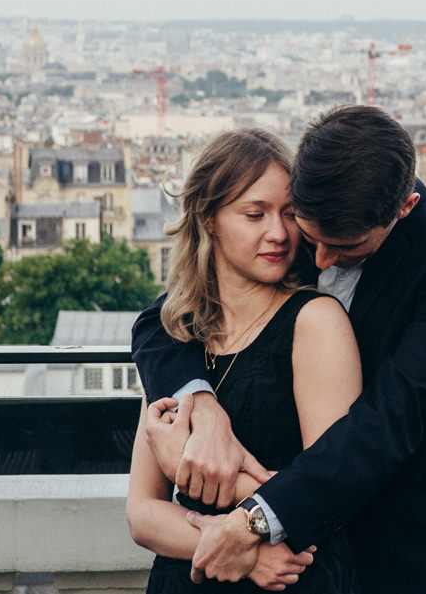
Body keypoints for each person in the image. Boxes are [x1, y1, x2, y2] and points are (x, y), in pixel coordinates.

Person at [132, 105, 426, 594]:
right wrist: (203, 407)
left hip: (408, 546)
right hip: (295, 548)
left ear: (403, 208)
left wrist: (246, 518)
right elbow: (164, 324)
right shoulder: (299, 214)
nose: (318, 261)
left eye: (343, 247)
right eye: (311, 238)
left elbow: (392, 419)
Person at [125, 127, 363, 592]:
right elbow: (141, 514)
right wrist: (233, 547)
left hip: (295, 576)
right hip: (216, 571)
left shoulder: (314, 321)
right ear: (209, 218)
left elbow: (331, 490)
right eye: (255, 214)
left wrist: (220, 516)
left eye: (290, 214)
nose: (278, 233)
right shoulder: (178, 338)